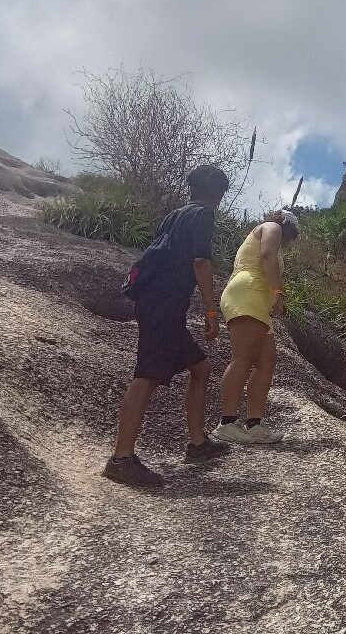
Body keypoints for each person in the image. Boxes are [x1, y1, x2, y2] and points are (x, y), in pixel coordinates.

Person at [102, 165, 231, 487]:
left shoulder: (175, 215)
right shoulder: (203, 215)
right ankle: (121, 458)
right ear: (218, 193)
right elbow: (200, 261)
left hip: (159, 302)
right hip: (163, 302)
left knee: (201, 367)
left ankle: (198, 444)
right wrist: (212, 311)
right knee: (146, 374)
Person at [212, 209, 299, 444]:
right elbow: (267, 255)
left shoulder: (261, 236)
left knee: (267, 360)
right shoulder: (273, 227)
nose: (289, 241)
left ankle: (254, 424)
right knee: (243, 358)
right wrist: (278, 292)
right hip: (249, 295)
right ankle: (227, 423)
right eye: (292, 234)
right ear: (287, 226)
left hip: (254, 299)